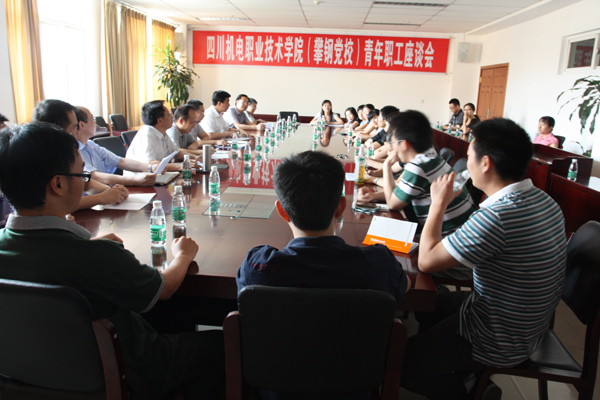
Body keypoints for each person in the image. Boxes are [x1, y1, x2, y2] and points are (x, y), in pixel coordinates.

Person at [0, 123, 225, 400]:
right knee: (226, 343)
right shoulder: (95, 256)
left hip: (27, 376)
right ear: (58, 184)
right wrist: (183, 255)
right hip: (131, 371)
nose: (85, 181)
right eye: (82, 174)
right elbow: (163, 289)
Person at [401, 118, 567, 400]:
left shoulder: (497, 217)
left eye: (469, 156)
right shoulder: (544, 200)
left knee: (396, 363)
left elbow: (426, 261)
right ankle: (457, 366)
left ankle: (470, 389)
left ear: (486, 163)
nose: (466, 163)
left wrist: (438, 203)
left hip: (495, 336)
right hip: (528, 325)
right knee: (428, 304)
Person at [237, 150, 410, 399]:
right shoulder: (379, 264)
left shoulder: (257, 267)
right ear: (341, 207)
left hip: (275, 390)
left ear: (282, 211)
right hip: (354, 388)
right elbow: (405, 286)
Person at [32, 99, 129, 210]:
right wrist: (101, 198)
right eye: (74, 128)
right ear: (60, 131)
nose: (77, 132)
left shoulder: (63, 151)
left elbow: (83, 182)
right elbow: (56, 205)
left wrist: (112, 191)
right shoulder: (38, 159)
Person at [74, 106, 158, 186]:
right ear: (82, 124)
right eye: (93, 119)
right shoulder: (73, 151)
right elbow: (94, 176)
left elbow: (120, 161)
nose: (95, 123)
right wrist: (135, 180)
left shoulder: (91, 145)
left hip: (105, 191)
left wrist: (150, 167)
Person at [125, 100, 188, 171]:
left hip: (157, 174)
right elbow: (150, 163)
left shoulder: (162, 132)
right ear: (160, 121)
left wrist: (194, 159)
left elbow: (177, 153)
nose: (172, 117)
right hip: (139, 176)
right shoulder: (146, 135)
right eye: (168, 114)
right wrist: (180, 166)